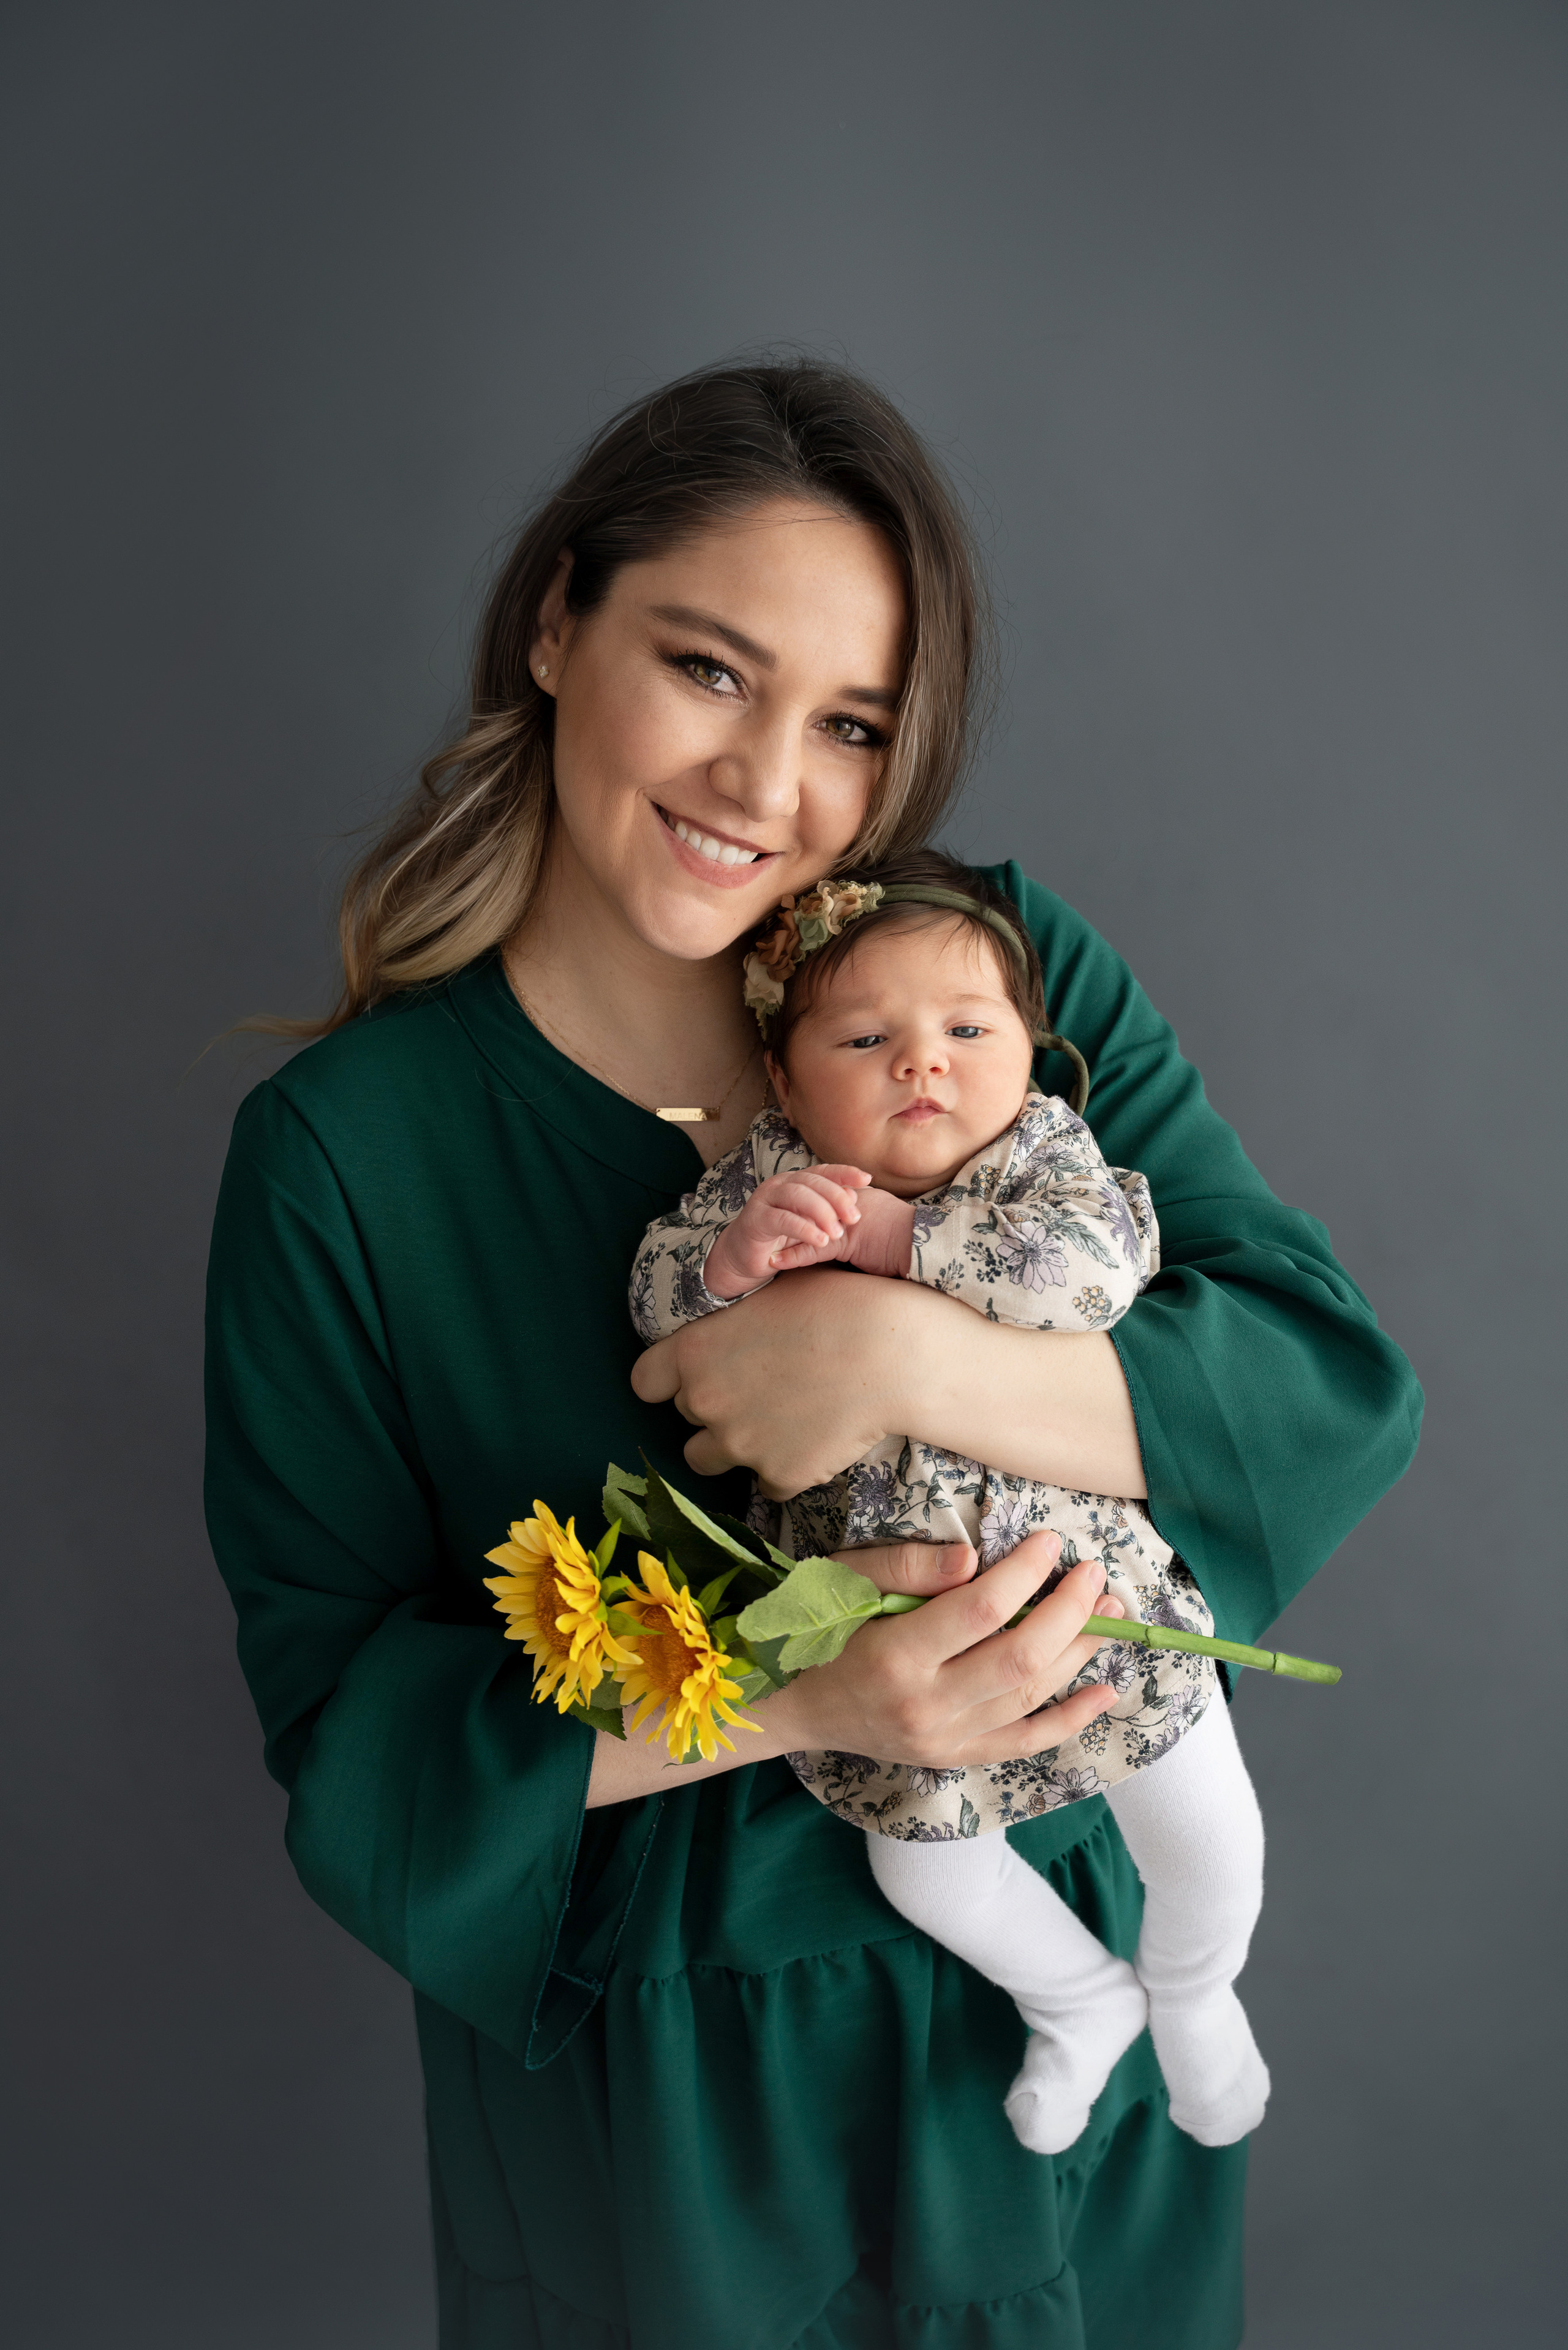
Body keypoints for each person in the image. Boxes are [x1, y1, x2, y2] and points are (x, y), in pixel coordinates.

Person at [205, 358, 1421, 2350]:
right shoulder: (351, 1158)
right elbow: (355, 1732)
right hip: (677, 2125)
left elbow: (1310, 1363)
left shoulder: (990, 971)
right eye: (709, 667)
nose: (769, 785)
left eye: (850, 722)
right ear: (556, 618)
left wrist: (889, 1353)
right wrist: (801, 1685)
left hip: (1063, 2079)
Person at [628, 847, 1268, 2160]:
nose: (921, 1063)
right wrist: (735, 1256)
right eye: (864, 1037)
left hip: (1091, 1595)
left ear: (1027, 1053)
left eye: (966, 1029)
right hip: (889, 1634)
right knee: (923, 1867)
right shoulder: (771, 1174)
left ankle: (1196, 1994)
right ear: (786, 1082)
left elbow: (1089, 1280)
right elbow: (655, 1298)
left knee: (1208, 1835)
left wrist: (895, 1245)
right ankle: (1077, 1999)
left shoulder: (1041, 1154)